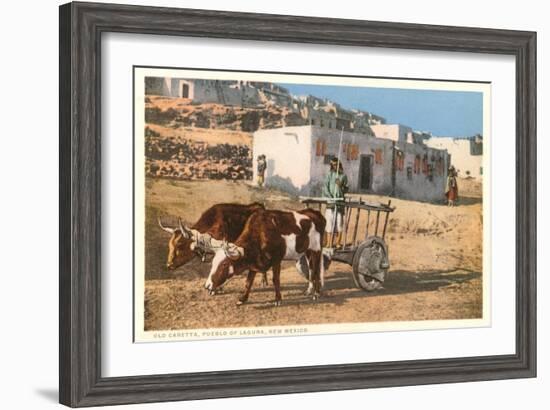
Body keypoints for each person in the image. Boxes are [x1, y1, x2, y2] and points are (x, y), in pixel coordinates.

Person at [322, 157, 348, 247]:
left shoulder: (343, 176)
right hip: (330, 203)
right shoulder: (329, 175)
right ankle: (329, 243)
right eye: (333, 165)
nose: (335, 166)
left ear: (339, 165)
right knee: (329, 222)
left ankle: (337, 243)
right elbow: (325, 187)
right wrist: (330, 196)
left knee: (339, 222)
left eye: (336, 164)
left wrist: (340, 185)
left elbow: (346, 189)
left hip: (339, 203)